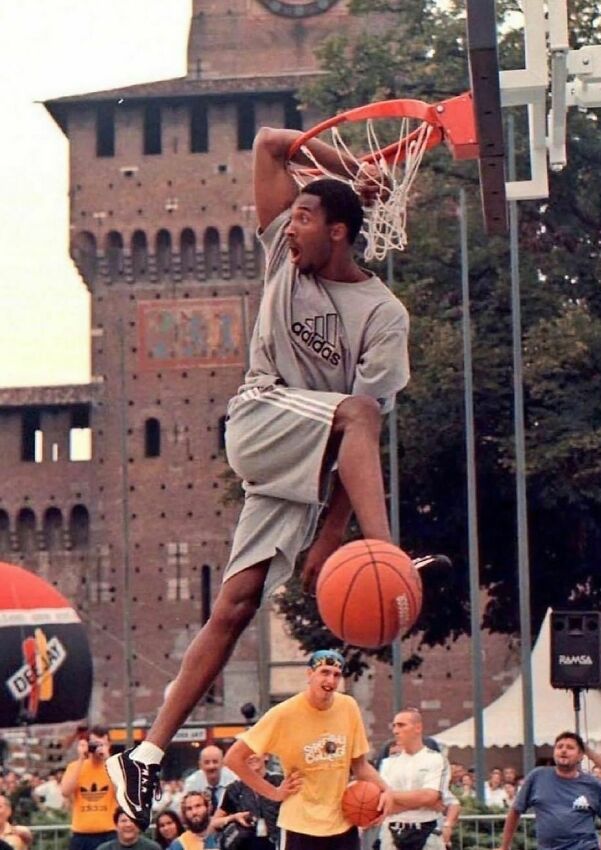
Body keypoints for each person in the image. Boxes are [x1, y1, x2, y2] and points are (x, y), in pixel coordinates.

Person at [106, 123, 449, 829]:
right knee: (351, 412)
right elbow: (268, 143)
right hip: (263, 415)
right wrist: (354, 167)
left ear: (341, 233)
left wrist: (333, 537)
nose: (288, 226)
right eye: (289, 216)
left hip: (310, 457)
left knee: (235, 605)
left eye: (305, 218)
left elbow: (363, 437)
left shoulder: (384, 317)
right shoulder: (283, 259)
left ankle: (143, 754)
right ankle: (389, 550)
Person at [224, 648, 392, 850]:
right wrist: (274, 793)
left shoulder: (348, 707)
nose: (330, 680)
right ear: (309, 674)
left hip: (343, 823)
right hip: (300, 825)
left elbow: (360, 765)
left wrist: (387, 790)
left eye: (336, 675)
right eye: (324, 672)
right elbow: (233, 758)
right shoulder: (284, 713)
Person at [498, 731, 601, 850]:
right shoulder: (537, 776)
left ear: (581, 756)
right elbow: (515, 811)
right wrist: (504, 846)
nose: (564, 750)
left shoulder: (593, 784)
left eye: (570, 748)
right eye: (559, 747)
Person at [379, 708, 450, 850]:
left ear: (418, 728)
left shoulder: (436, 759)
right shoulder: (387, 763)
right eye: (394, 726)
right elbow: (383, 805)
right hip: (392, 834)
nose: (395, 731)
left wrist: (391, 796)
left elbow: (430, 796)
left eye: (401, 725)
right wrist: (421, 801)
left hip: (427, 832)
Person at [61, 726, 118, 850]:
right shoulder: (75, 767)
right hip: (81, 835)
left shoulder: (116, 767)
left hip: (109, 833)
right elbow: (65, 791)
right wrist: (81, 758)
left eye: (102, 744)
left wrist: (107, 759)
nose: (97, 747)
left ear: (109, 744)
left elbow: (122, 793)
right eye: (94, 744)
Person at [211, 752, 281, 848]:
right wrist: (234, 817)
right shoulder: (234, 789)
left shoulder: (280, 783)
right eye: (247, 754)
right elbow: (215, 822)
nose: (251, 756)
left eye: (254, 752)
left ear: (266, 756)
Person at [95, 809, 161, 850]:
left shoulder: (153, 848)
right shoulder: (104, 848)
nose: (128, 825)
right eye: (123, 821)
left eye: (133, 821)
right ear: (116, 826)